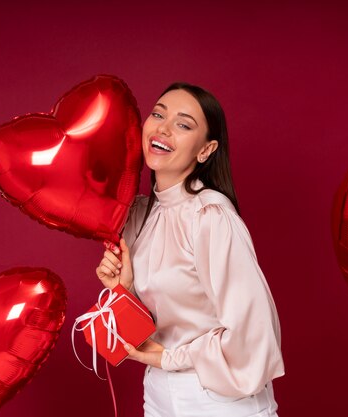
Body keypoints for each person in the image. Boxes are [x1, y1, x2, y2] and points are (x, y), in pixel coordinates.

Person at [96, 82, 284, 417]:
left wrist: (170, 358)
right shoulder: (138, 216)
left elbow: (254, 334)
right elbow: (139, 338)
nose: (164, 128)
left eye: (183, 125)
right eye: (158, 114)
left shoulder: (210, 217)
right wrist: (121, 290)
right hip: (157, 394)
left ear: (206, 150)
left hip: (220, 398)